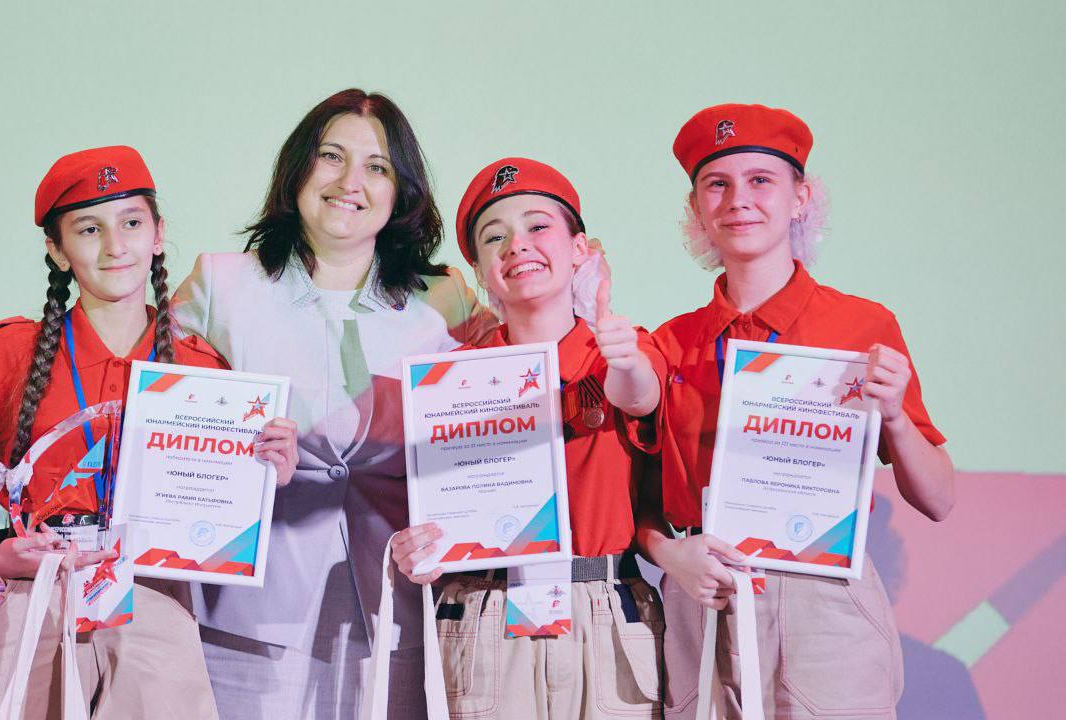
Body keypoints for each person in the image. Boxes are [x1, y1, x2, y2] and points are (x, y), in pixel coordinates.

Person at [0, 145, 298, 718]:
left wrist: (268, 476)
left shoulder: (201, 369)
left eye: (131, 223)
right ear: (57, 250)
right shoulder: (9, 352)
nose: (115, 246)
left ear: (158, 235)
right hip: (36, 599)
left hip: (156, 603)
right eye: (89, 229)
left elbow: (221, 528)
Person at [168, 89, 500, 719]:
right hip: (247, 607)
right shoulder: (221, 284)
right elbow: (145, 423)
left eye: (377, 166)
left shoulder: (445, 297)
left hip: (397, 600)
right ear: (298, 168)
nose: (351, 182)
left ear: (400, 190)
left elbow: (511, 406)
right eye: (331, 156)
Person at [635, 104, 955, 720]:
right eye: (717, 184)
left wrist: (894, 415)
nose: (738, 200)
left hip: (823, 600)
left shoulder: (862, 325)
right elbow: (639, 504)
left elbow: (940, 498)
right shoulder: (669, 343)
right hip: (705, 596)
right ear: (697, 209)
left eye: (761, 180)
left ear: (801, 198)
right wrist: (672, 556)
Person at [390, 158, 666, 719]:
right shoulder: (452, 380)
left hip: (604, 609)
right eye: (494, 237)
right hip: (487, 612)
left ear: (580, 249)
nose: (517, 245)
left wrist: (625, 361)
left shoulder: (623, 348)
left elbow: (639, 396)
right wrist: (419, 550)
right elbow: (434, 507)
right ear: (480, 271)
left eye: (538, 226)